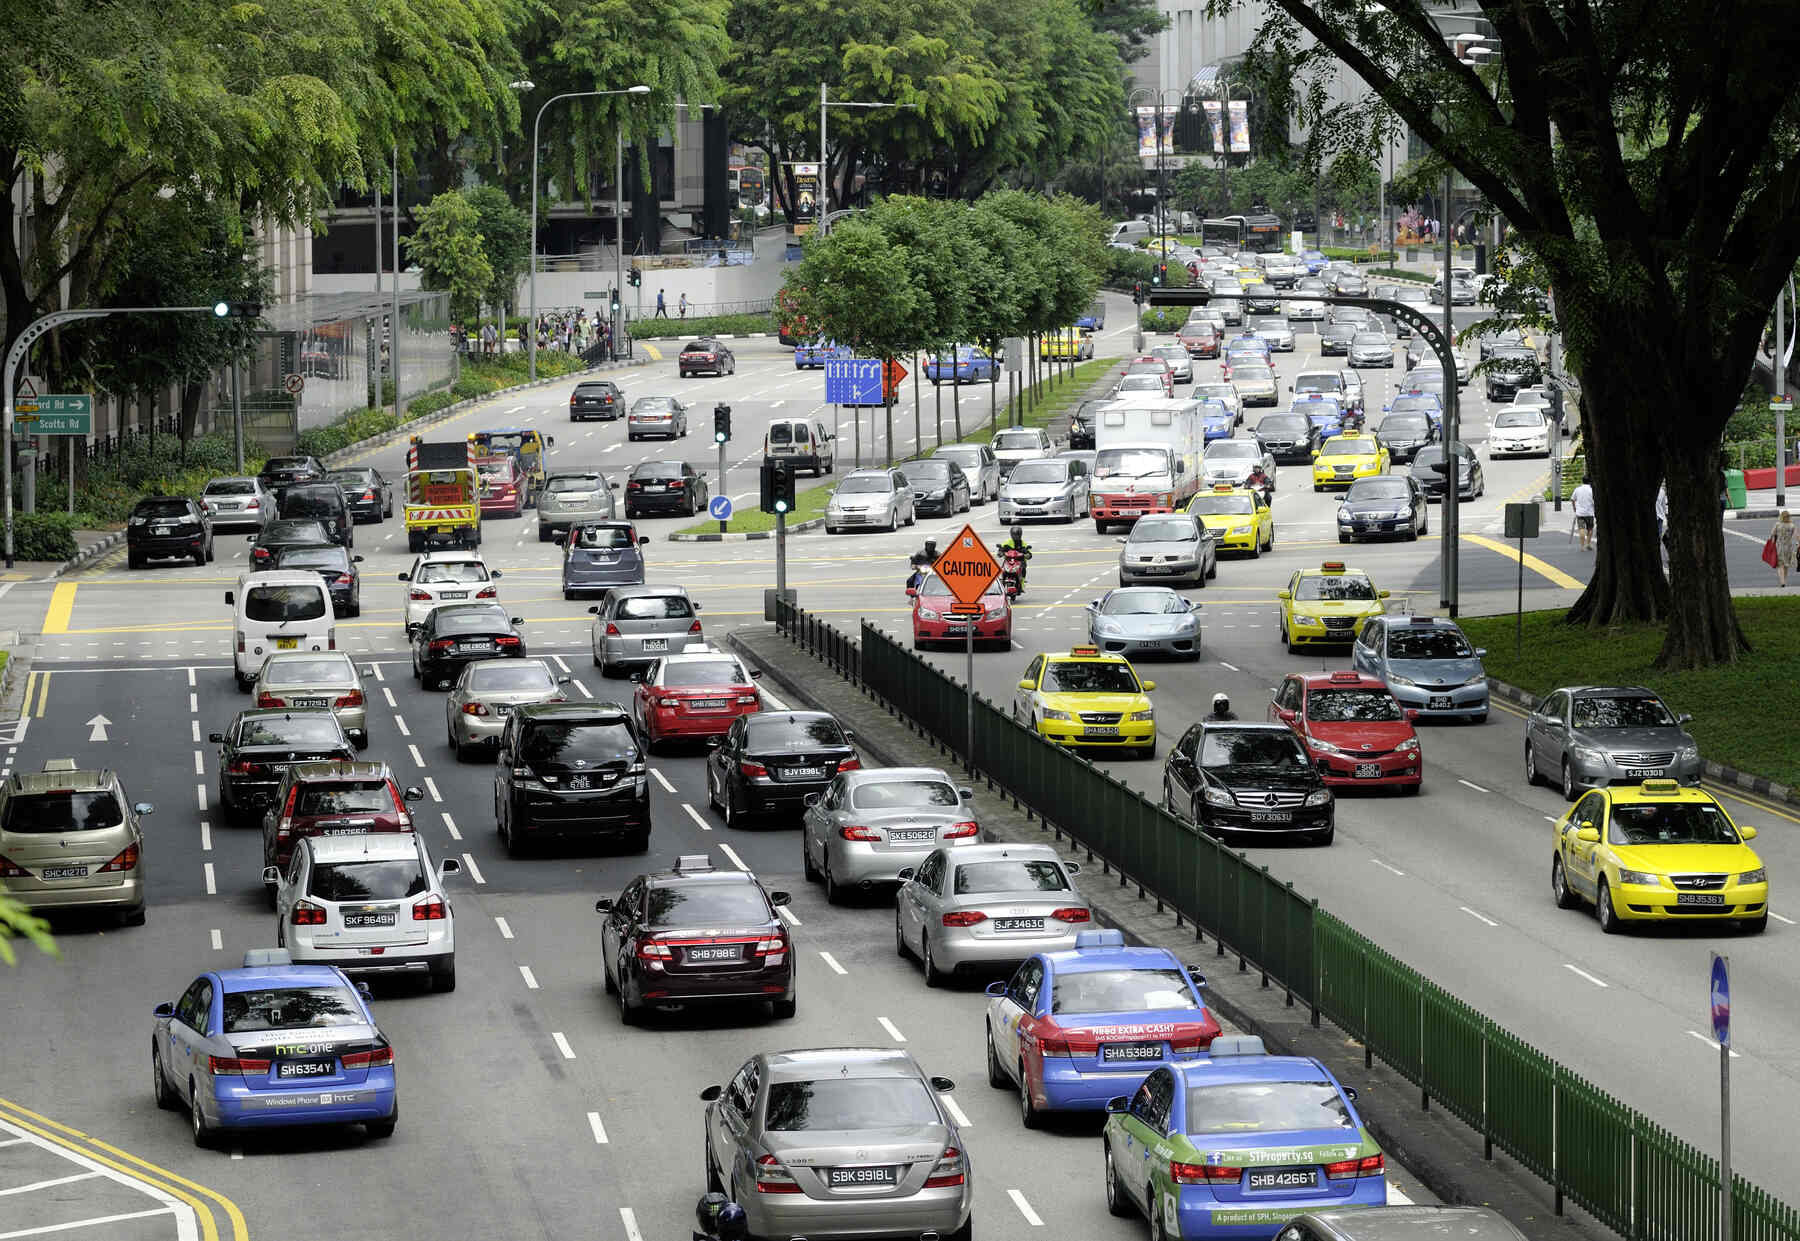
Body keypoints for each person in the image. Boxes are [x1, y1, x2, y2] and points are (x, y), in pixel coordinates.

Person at [1772, 510, 1797, 588]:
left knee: (1780, 565)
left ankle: (1782, 582)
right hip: (1789, 547)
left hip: (1779, 546)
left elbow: (1772, 534)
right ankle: (1784, 581)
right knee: (1786, 565)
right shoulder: (1792, 525)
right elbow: (1797, 536)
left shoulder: (1777, 524)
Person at [1571, 478, 1596, 550]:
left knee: (1581, 529)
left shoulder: (1577, 489)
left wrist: (1574, 508)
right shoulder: (1592, 490)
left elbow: (1572, 499)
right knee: (1590, 529)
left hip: (1580, 513)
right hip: (1589, 513)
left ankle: (1582, 546)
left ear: (1582, 481)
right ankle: (1588, 543)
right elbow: (1594, 501)